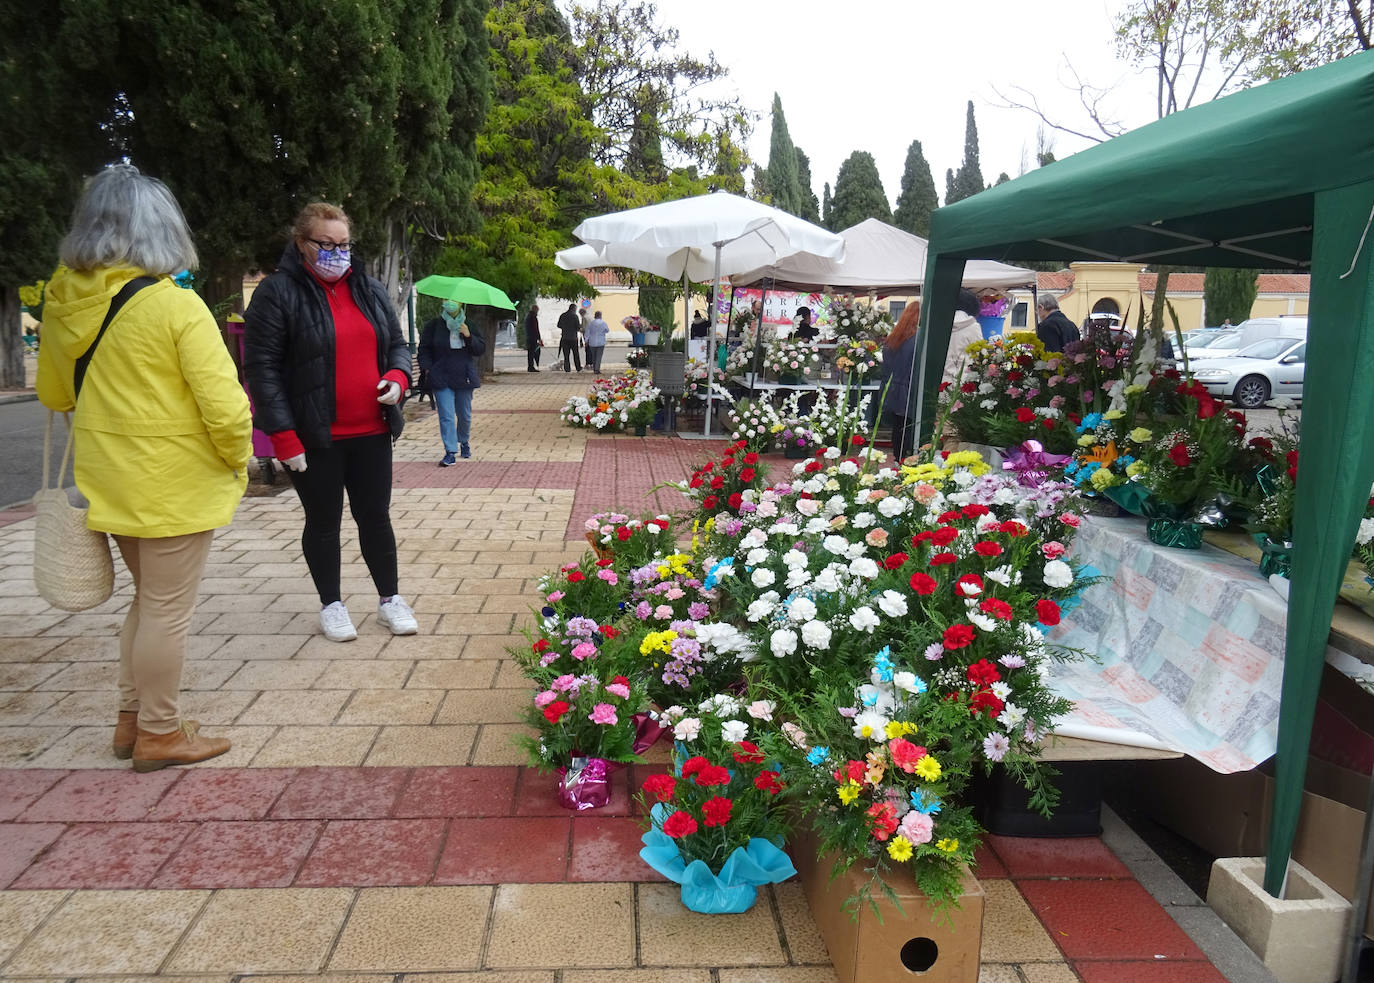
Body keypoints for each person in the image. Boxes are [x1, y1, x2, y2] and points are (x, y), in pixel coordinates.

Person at [36, 164, 251, 771]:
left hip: (108, 475)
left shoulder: (62, 301)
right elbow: (228, 408)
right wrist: (236, 461)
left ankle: (132, 721)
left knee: (148, 601)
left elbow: (56, 394)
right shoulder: (174, 306)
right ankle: (160, 732)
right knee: (166, 609)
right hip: (173, 482)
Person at [244, 201, 418, 644]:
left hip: (372, 432)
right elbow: (262, 369)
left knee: (375, 517)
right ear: (302, 243)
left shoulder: (369, 289)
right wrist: (282, 435)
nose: (337, 252)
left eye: (343, 244)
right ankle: (332, 604)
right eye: (326, 244)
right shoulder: (277, 293)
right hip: (314, 436)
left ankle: (389, 600)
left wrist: (398, 378)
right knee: (323, 522)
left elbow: (396, 344)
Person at [419, 300, 486, 465]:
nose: (449, 303)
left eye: (453, 300)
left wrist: (469, 335)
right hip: (441, 375)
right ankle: (450, 451)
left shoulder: (469, 324)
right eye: (446, 299)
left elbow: (479, 349)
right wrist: (428, 368)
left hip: (464, 375)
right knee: (446, 416)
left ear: (460, 303)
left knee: (464, 415)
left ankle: (463, 441)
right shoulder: (434, 325)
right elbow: (424, 349)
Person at [877, 301, 921, 463]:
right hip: (909, 389)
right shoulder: (918, 339)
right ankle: (906, 460)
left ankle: (898, 459)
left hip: (892, 390)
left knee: (898, 428)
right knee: (908, 429)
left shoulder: (893, 338)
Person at [942, 289, 986, 385]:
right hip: (965, 383)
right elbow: (982, 357)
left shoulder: (939, 325)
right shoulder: (973, 327)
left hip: (942, 382)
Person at [557, 303, 582, 372]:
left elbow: (558, 325)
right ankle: (578, 367)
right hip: (573, 338)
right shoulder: (575, 316)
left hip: (564, 338)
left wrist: (564, 328)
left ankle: (567, 368)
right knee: (575, 354)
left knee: (566, 355)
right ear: (574, 309)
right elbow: (578, 327)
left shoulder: (563, 315)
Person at [585, 309, 609, 374]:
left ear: (595, 316)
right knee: (599, 356)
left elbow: (587, 332)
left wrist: (586, 341)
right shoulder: (603, 323)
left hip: (592, 342)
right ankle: (596, 369)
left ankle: (595, 368)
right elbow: (607, 330)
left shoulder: (591, 323)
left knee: (594, 356)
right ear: (600, 316)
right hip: (601, 341)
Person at [525, 304, 542, 372]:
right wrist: (539, 338)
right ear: (535, 309)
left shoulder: (528, 316)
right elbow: (535, 328)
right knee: (532, 352)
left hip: (528, 337)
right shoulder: (533, 317)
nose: (537, 312)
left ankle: (530, 366)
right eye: (537, 310)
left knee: (530, 353)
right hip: (533, 337)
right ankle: (531, 367)